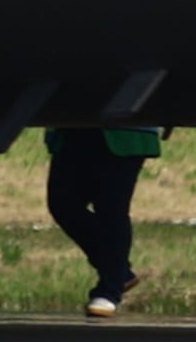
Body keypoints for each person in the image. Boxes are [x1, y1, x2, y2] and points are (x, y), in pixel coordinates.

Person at [44, 119, 161, 317]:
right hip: (72, 127)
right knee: (62, 204)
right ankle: (119, 272)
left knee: (112, 208)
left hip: (125, 129)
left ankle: (110, 291)